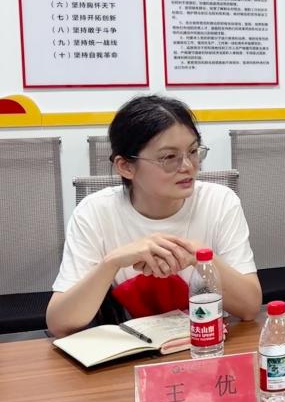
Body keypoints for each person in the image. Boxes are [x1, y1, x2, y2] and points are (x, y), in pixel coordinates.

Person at [47, 95, 261, 337]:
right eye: (169, 157)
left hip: (206, 344)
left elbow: (249, 308)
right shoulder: (95, 212)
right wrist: (112, 262)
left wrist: (199, 256)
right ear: (126, 167)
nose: (188, 166)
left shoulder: (220, 202)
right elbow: (59, 323)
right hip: (128, 349)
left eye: (193, 151)